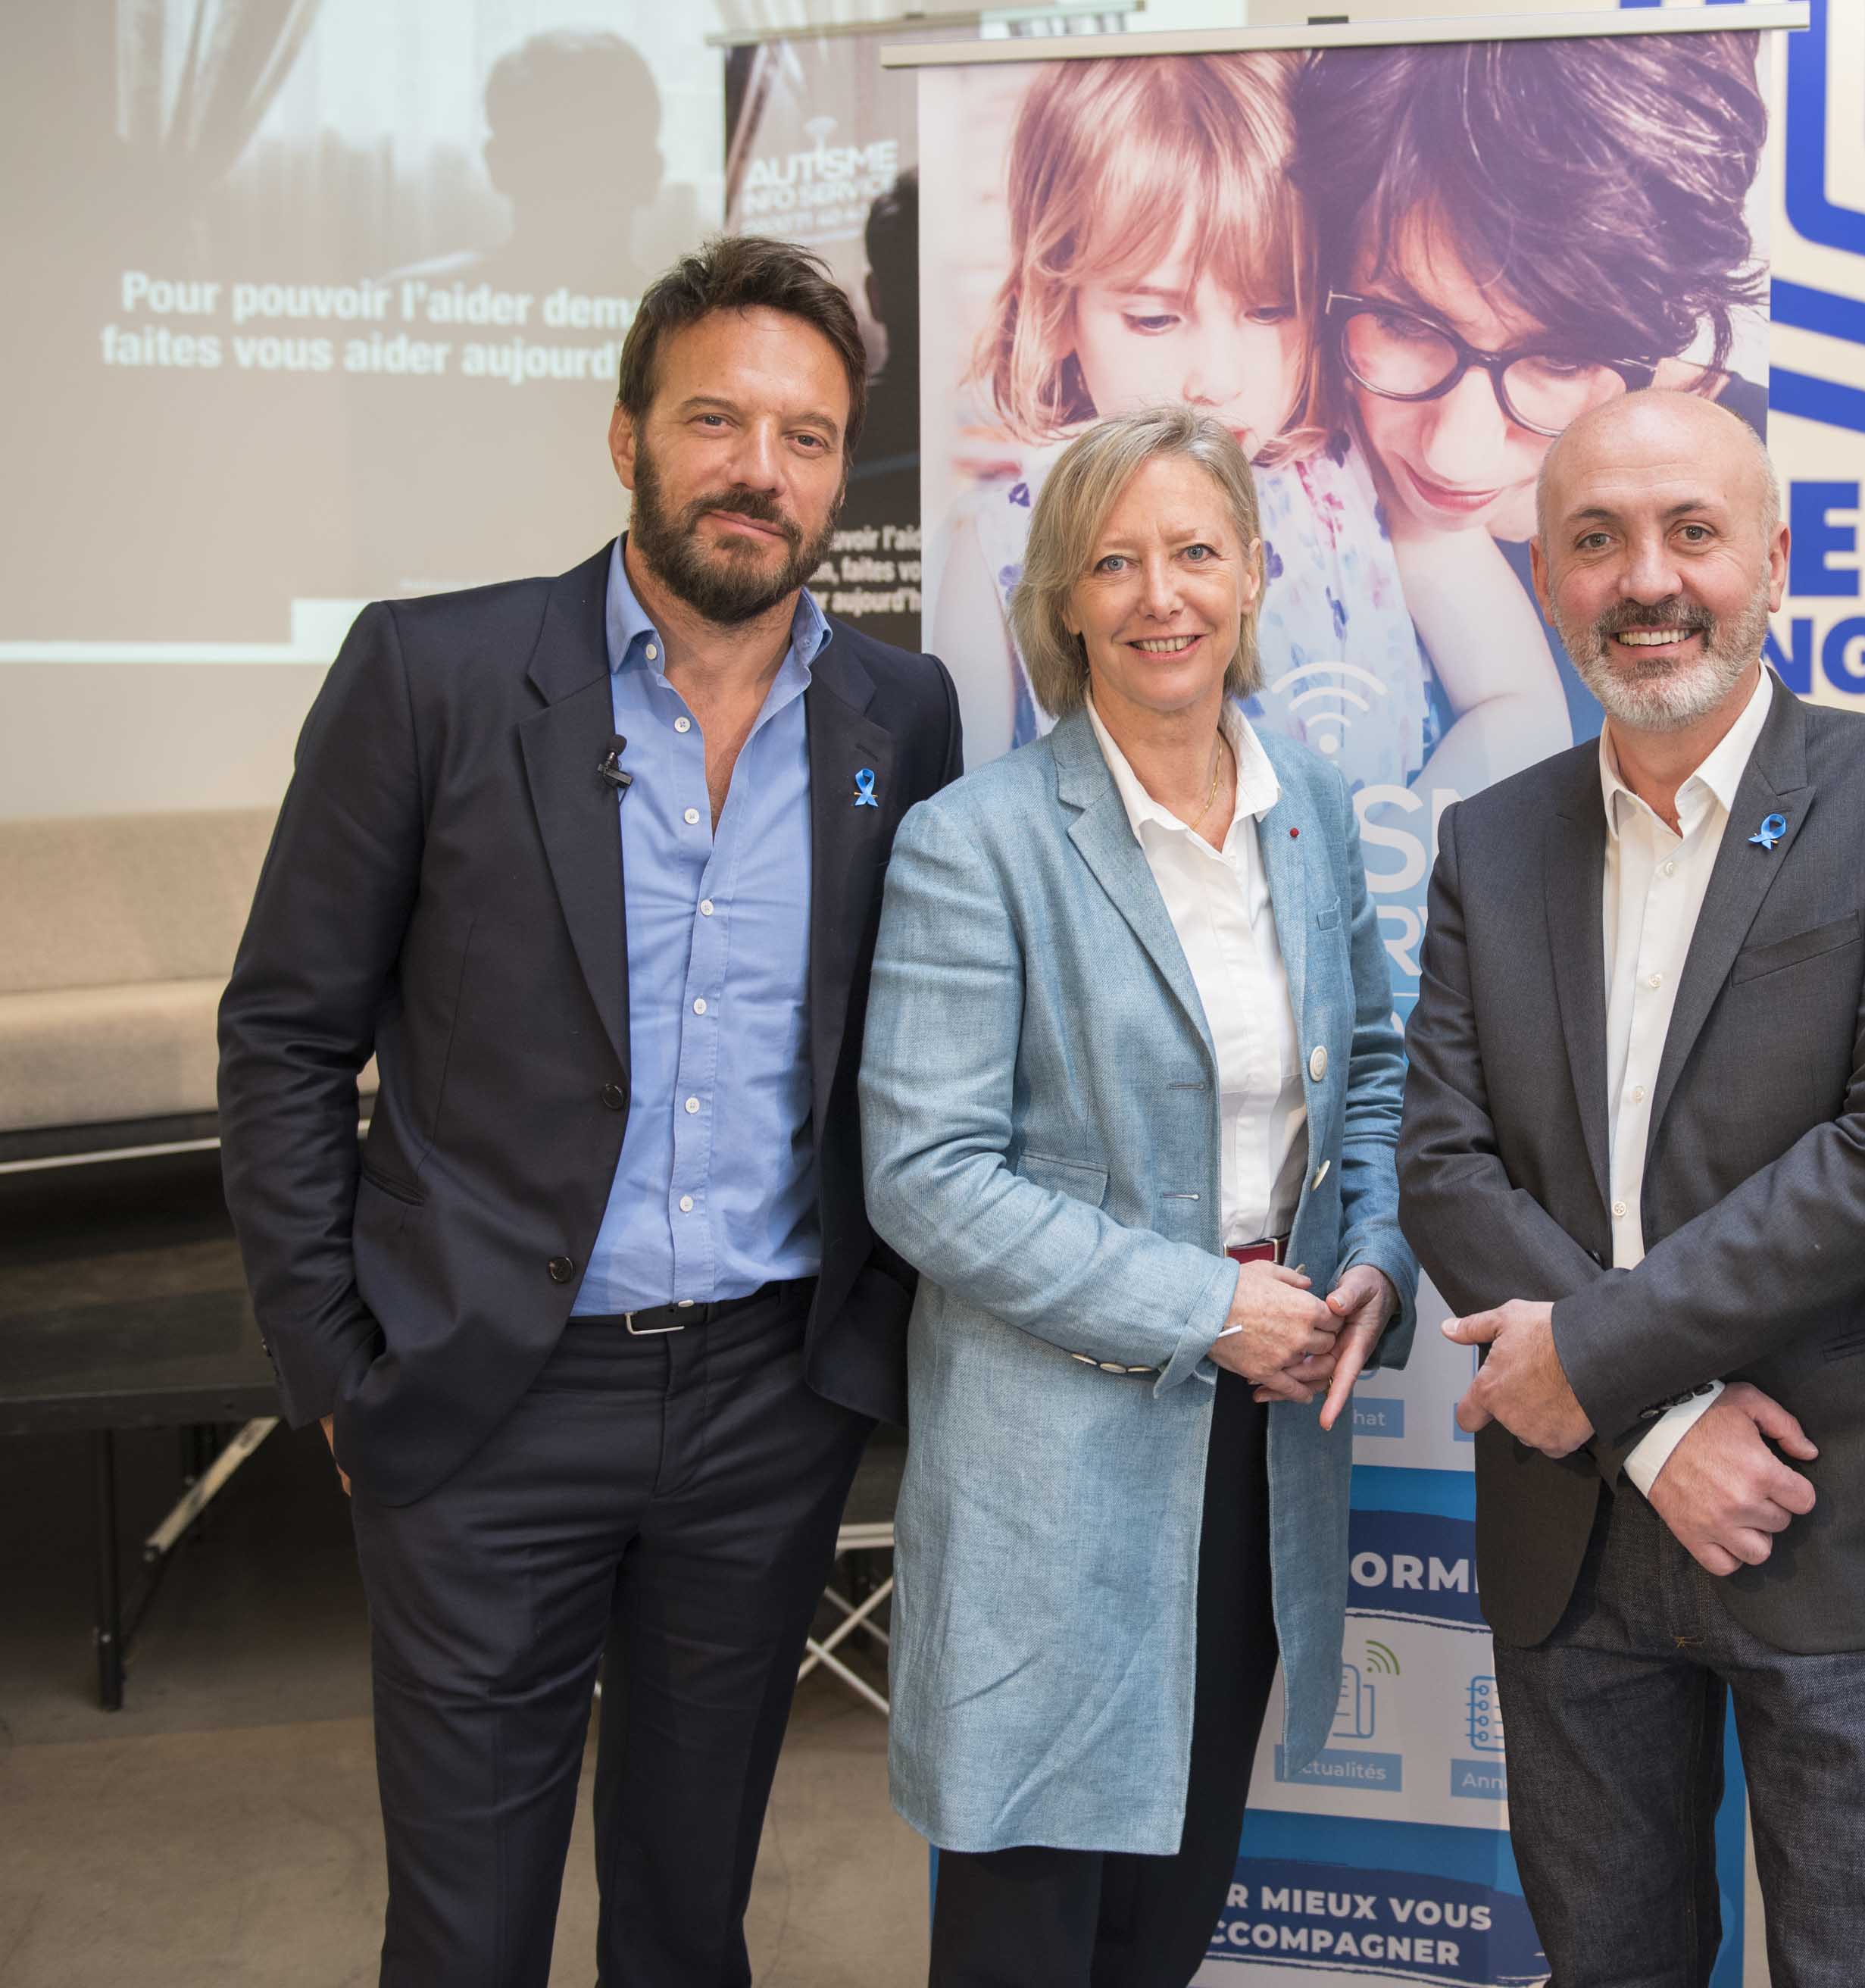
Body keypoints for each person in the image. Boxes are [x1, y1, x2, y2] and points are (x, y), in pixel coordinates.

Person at [216, 236, 963, 1988]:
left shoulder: (897, 713)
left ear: (840, 471)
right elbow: (282, 1036)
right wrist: (334, 1362)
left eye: (803, 434)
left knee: (691, 1910)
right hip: (485, 1396)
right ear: (623, 430)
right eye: (715, 418)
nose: (756, 470)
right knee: (468, 1930)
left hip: (765, 1398)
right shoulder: (435, 674)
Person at [1398, 390, 1865, 1986]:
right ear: (1543, 576)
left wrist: (1588, 1359)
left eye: (1691, 532)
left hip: (1835, 1513)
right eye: (1595, 540)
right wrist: (1650, 1421)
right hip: (1575, 1528)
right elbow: (1443, 1164)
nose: (1646, 578)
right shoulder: (1488, 839)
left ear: (1777, 561)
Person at [861, 403, 1420, 1988]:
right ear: (1064, 598)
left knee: (1173, 1904)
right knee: (1035, 1920)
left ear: (1253, 572)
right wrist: (1207, 1307)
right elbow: (928, 1178)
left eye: (1192, 550)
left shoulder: (1304, 802)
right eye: (1114, 560)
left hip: (1258, 1452)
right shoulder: (976, 845)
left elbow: (1369, 1062)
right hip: (1056, 1462)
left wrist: (1374, 1254)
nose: (1158, 593)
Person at [932, 52, 1457, 791]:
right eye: (1154, 317)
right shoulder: (995, 538)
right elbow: (969, 821)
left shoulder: (1363, 468)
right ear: (1055, 308)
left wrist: (1411, 862)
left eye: (1270, 307)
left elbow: (1513, 699)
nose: (1216, 376)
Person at [1294, 32, 1770, 747]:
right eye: (1402, 323)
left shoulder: (1783, 470)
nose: (1455, 455)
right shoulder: (1272, 449)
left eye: (1559, 361)